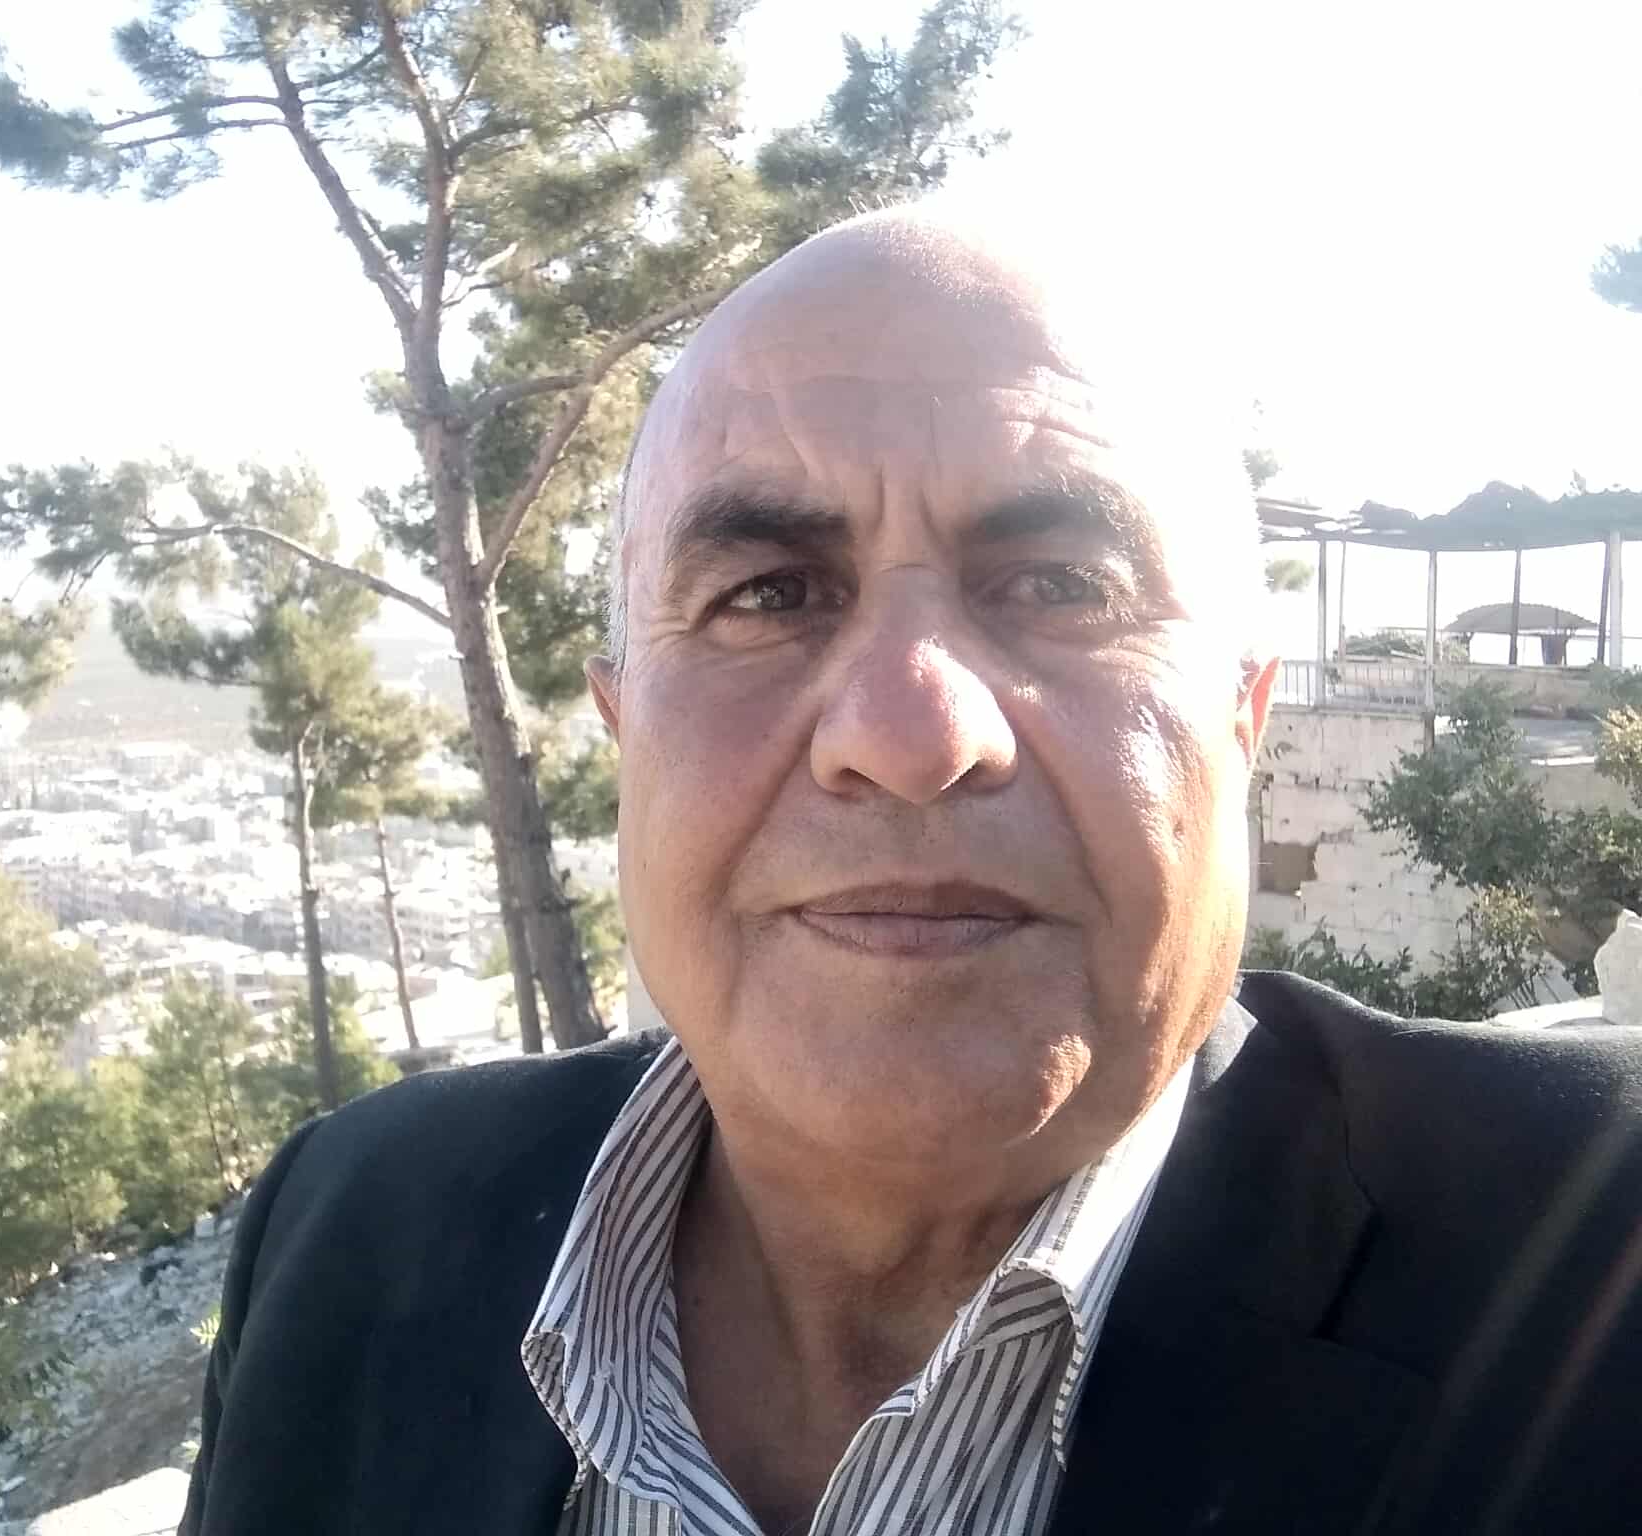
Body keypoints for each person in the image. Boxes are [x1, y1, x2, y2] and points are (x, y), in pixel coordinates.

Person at [178, 209, 1642, 1536]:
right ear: (624, 732)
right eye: (767, 594)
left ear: (1243, 725)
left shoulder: (1596, 1267)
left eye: (1061, 587)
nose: (907, 735)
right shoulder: (351, 1226)